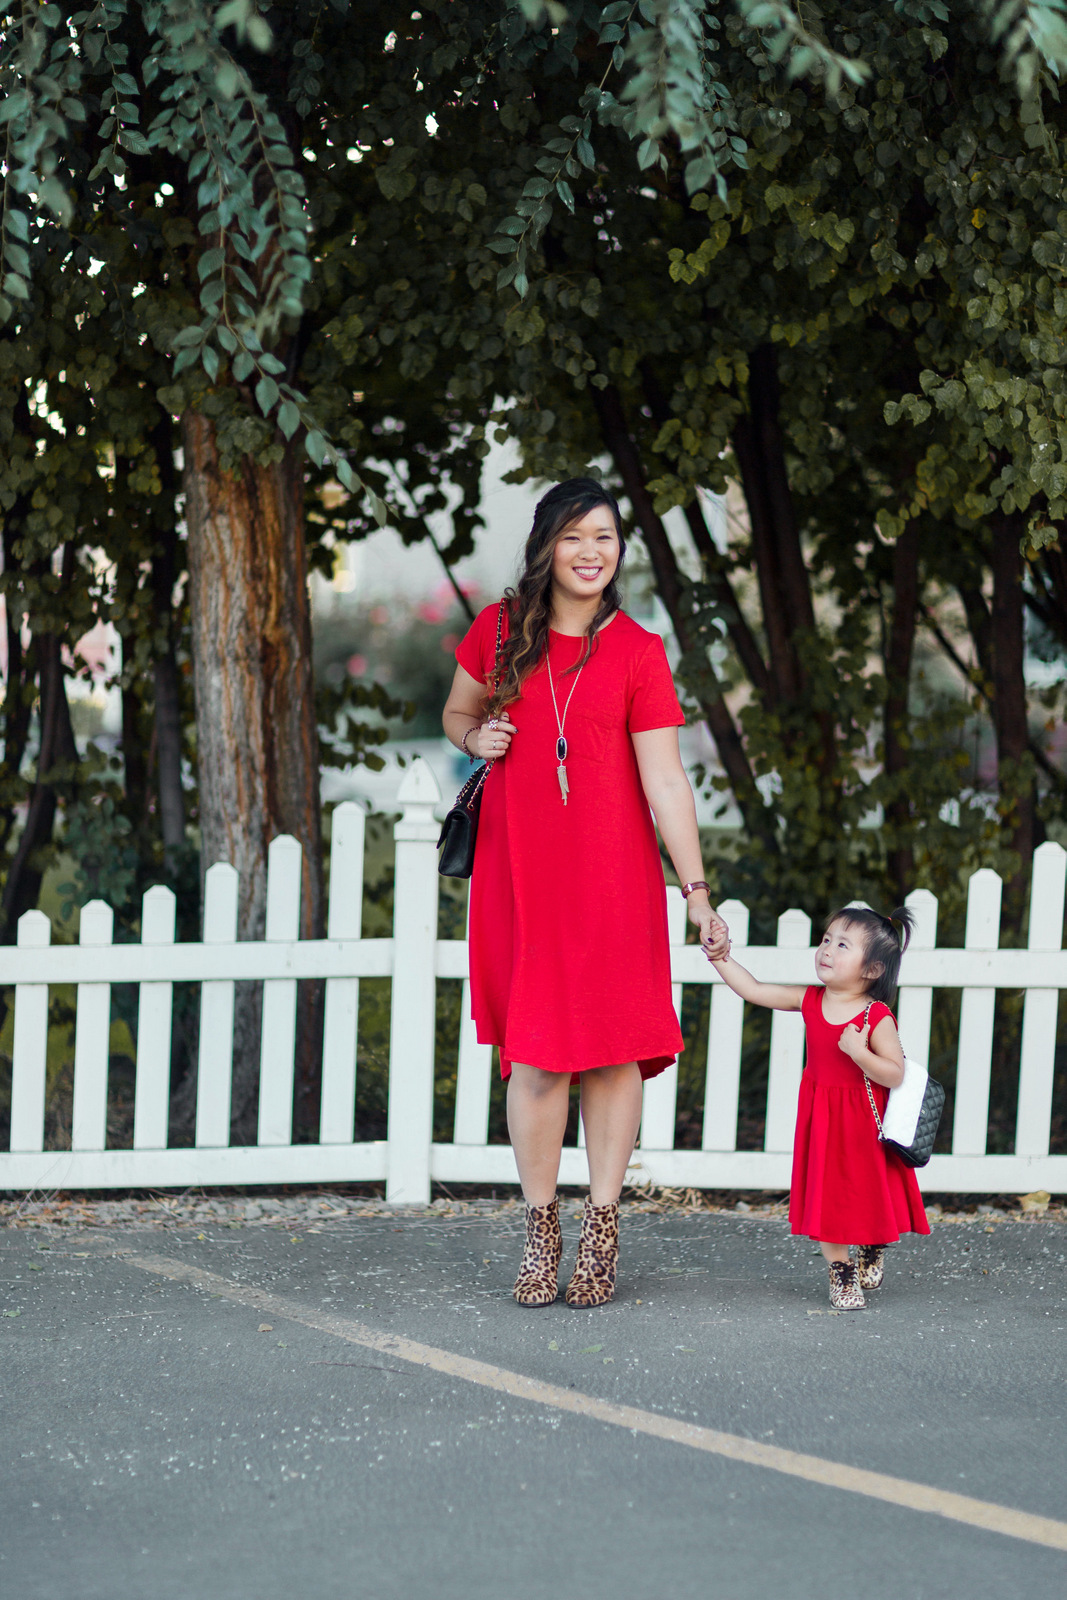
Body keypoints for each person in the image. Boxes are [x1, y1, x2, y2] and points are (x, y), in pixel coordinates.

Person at [442, 478, 726, 1308]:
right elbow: (458, 712)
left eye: (604, 536)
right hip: (521, 873)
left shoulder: (638, 650)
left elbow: (667, 782)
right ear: (546, 547)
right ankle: (540, 1231)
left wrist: (696, 892)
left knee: (608, 1053)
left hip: (612, 879)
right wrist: (477, 734)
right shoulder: (500, 634)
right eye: (574, 536)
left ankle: (601, 1231)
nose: (591, 551)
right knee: (532, 1060)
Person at [707, 905, 930, 1308]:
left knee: (867, 1191)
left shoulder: (875, 1017)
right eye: (826, 939)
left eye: (842, 945)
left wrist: (859, 1053)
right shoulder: (810, 999)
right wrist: (721, 958)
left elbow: (894, 1074)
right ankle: (841, 1274)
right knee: (830, 1196)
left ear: (873, 970)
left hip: (864, 1119)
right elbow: (756, 990)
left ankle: (873, 1242)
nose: (827, 949)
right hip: (823, 1117)